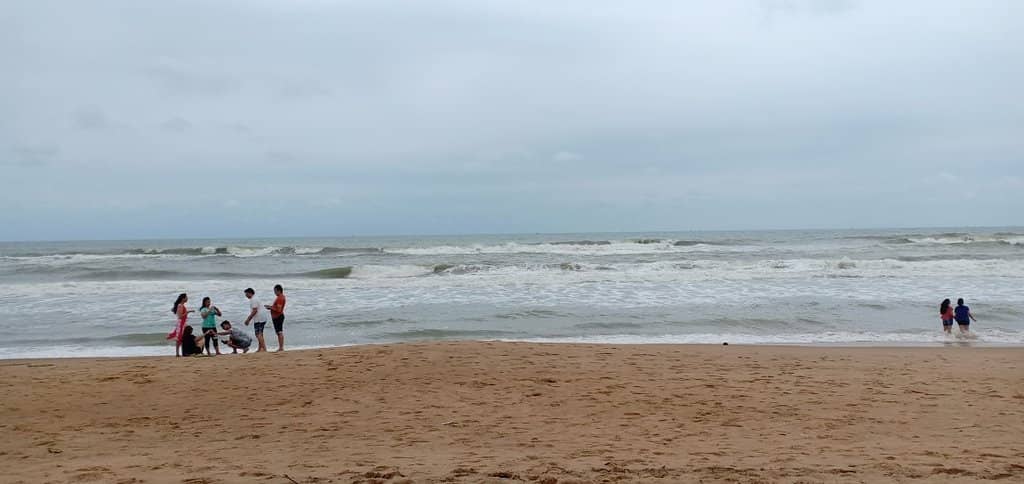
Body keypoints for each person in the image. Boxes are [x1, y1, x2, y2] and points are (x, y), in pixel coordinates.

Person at [243, 288, 269, 352]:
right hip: (262, 318)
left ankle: (264, 349)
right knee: (260, 334)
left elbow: (254, 310)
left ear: (250, 293)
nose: (246, 295)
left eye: (246, 294)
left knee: (258, 334)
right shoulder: (255, 298)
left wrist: (248, 319)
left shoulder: (253, 299)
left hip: (259, 318)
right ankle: (260, 349)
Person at [265, 284, 287, 352]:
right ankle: (281, 347)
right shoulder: (280, 297)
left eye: (275, 291)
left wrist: (270, 307)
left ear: (278, 290)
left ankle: (281, 347)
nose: (274, 292)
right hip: (277, 316)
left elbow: (279, 309)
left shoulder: (280, 298)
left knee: (279, 332)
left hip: (278, 316)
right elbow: (277, 308)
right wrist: (271, 307)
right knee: (278, 332)